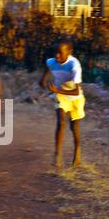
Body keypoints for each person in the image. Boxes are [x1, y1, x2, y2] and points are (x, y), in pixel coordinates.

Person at [39, 40, 86, 169]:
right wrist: (44, 83)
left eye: (60, 53)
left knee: (74, 126)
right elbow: (43, 78)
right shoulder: (51, 62)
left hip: (75, 96)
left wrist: (56, 90)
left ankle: (77, 150)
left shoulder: (74, 64)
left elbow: (76, 90)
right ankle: (57, 154)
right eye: (55, 53)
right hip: (61, 96)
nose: (57, 56)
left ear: (69, 52)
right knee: (61, 122)